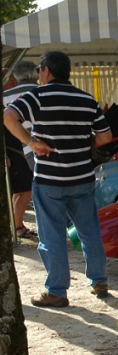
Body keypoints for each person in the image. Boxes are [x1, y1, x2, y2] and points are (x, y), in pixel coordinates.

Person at [3, 50, 112, 308]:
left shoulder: (38, 97)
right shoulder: (86, 99)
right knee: (89, 232)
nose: (39, 75)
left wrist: (31, 142)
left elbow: (8, 116)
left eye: (40, 70)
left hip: (50, 180)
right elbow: (105, 137)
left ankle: (57, 291)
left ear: (47, 71)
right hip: (82, 177)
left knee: (52, 237)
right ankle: (99, 281)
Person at [3, 61, 38, 239]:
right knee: (27, 190)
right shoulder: (39, 91)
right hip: (25, 149)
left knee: (21, 190)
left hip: (16, 149)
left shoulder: (5, 96)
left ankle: (17, 225)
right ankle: (17, 226)